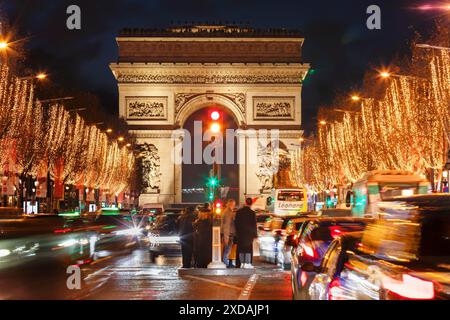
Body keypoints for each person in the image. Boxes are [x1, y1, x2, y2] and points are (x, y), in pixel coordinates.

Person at [235, 197, 257, 269]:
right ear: (251, 204)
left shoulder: (239, 212)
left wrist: (237, 232)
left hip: (240, 233)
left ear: (245, 202)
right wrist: (255, 234)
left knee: (241, 248)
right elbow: (254, 224)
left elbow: (236, 223)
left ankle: (241, 263)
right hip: (249, 234)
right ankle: (247, 263)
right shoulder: (252, 213)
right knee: (248, 248)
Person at [221, 199, 236, 268]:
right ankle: (225, 263)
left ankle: (225, 262)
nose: (234, 206)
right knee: (227, 250)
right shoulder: (228, 212)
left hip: (228, 234)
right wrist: (226, 236)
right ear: (230, 204)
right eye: (233, 204)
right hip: (228, 234)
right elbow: (227, 225)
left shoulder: (226, 211)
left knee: (227, 250)